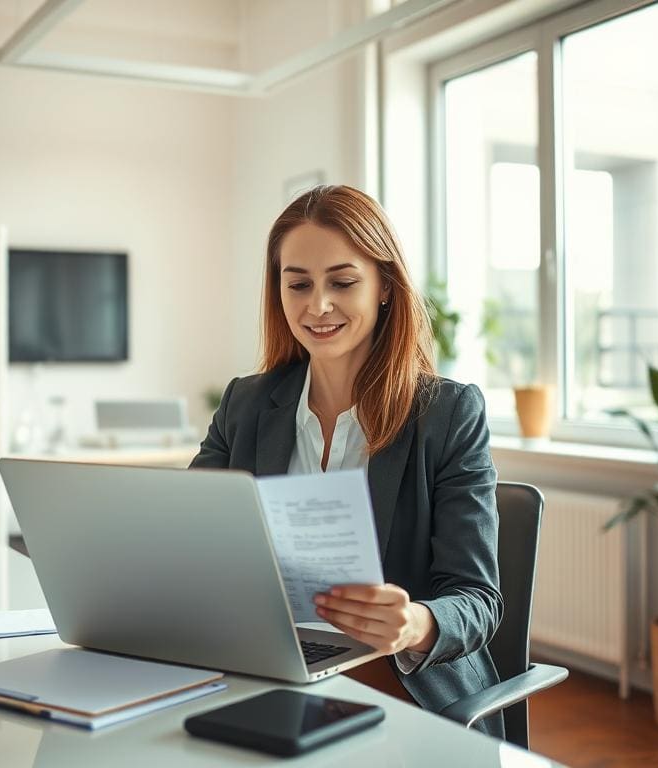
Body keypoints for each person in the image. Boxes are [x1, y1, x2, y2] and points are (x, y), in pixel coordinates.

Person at [190, 185, 504, 738]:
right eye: (299, 284)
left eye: (342, 281)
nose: (318, 305)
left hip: (397, 683)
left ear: (384, 285)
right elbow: (184, 535)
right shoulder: (245, 404)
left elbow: (477, 599)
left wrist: (413, 624)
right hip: (267, 670)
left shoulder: (448, 414)